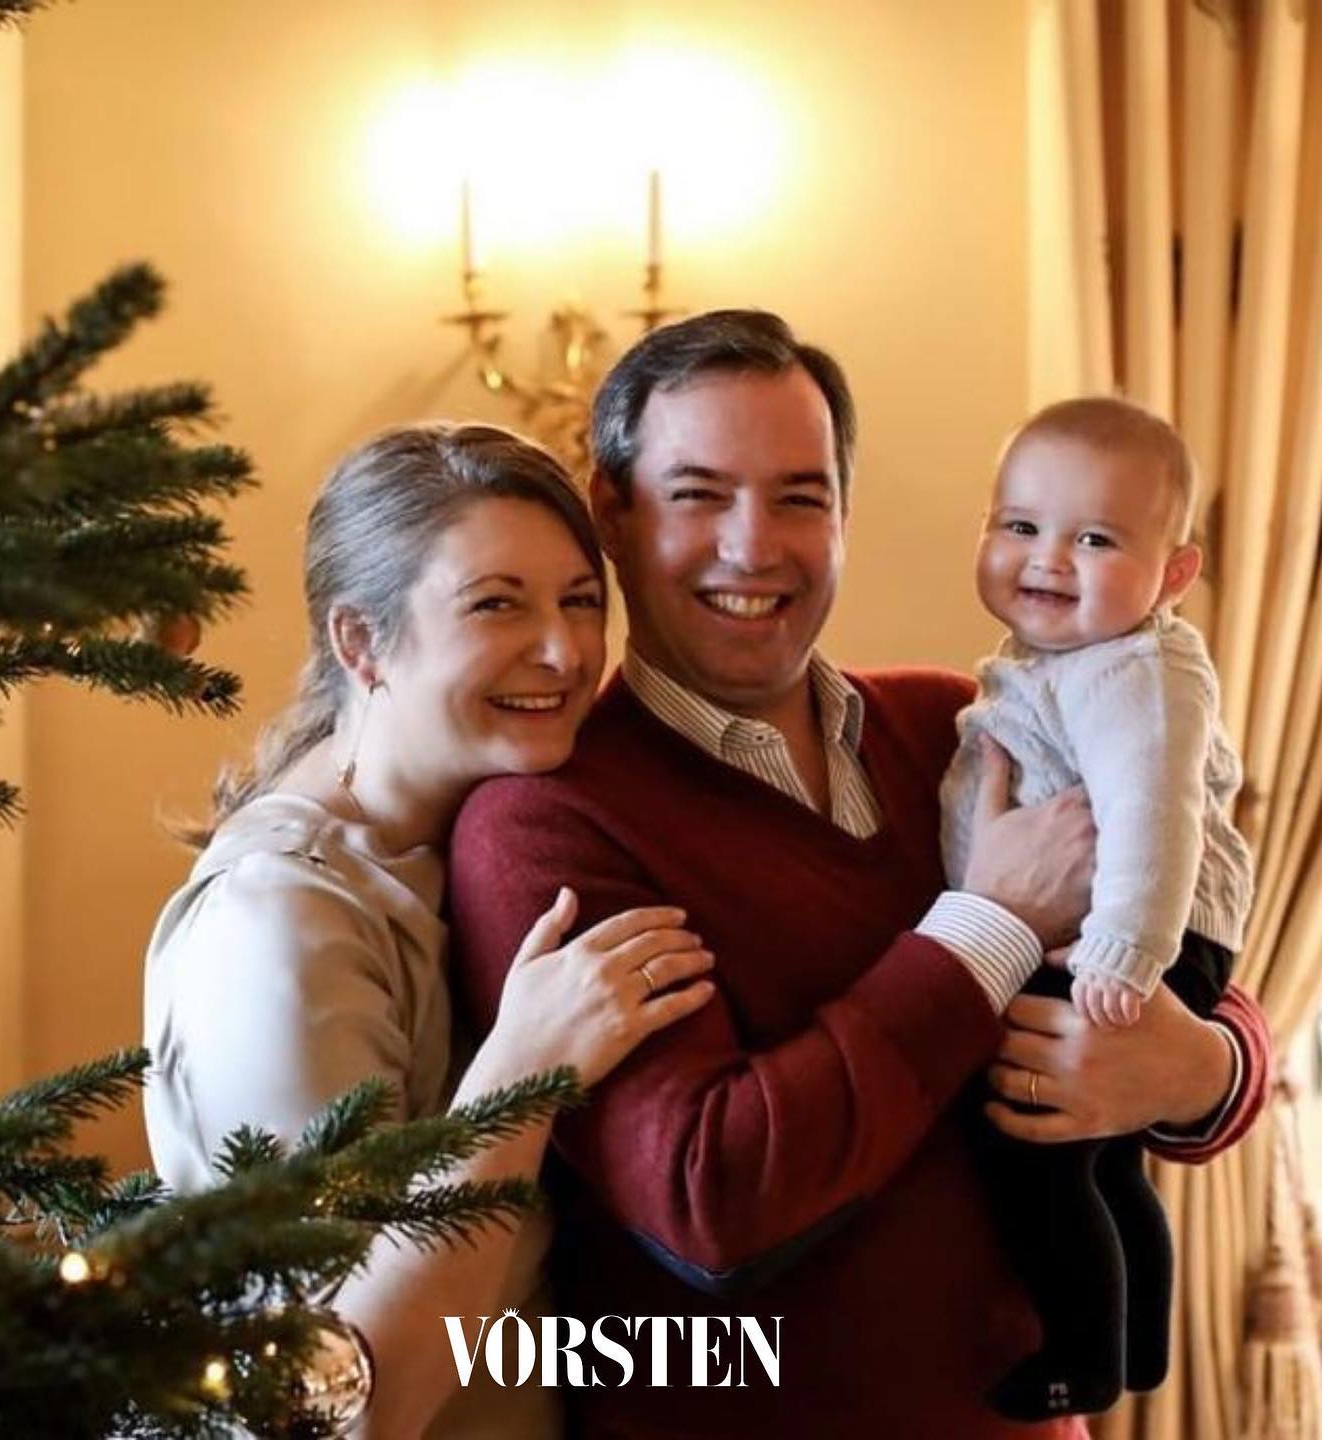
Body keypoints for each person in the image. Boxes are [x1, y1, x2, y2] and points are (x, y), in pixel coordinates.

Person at [447, 311, 1273, 1439]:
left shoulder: (960, 725)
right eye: (698, 495)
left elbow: (1182, 942)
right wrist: (985, 925)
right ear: (613, 513)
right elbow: (708, 1201)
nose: (754, 547)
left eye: (800, 497)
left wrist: (1205, 1073)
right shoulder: (545, 823)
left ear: (843, 515)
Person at [142, 423, 717, 1440]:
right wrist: (522, 1076)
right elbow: (338, 1404)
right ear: (360, 641)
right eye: (497, 603)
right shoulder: (275, 923)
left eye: (581, 601)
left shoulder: (485, 835)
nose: (564, 652)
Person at [941, 396, 1255, 1418]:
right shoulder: (1067, 660)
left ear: (1173, 574)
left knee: (1031, 1144)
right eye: (1021, 525)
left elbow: (1154, 810)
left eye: (1095, 540)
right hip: (1117, 935)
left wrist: (1122, 949)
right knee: (1104, 1159)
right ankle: (1137, 1342)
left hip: (1129, 939)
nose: (1048, 559)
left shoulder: (1135, 671)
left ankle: (1079, 1359)